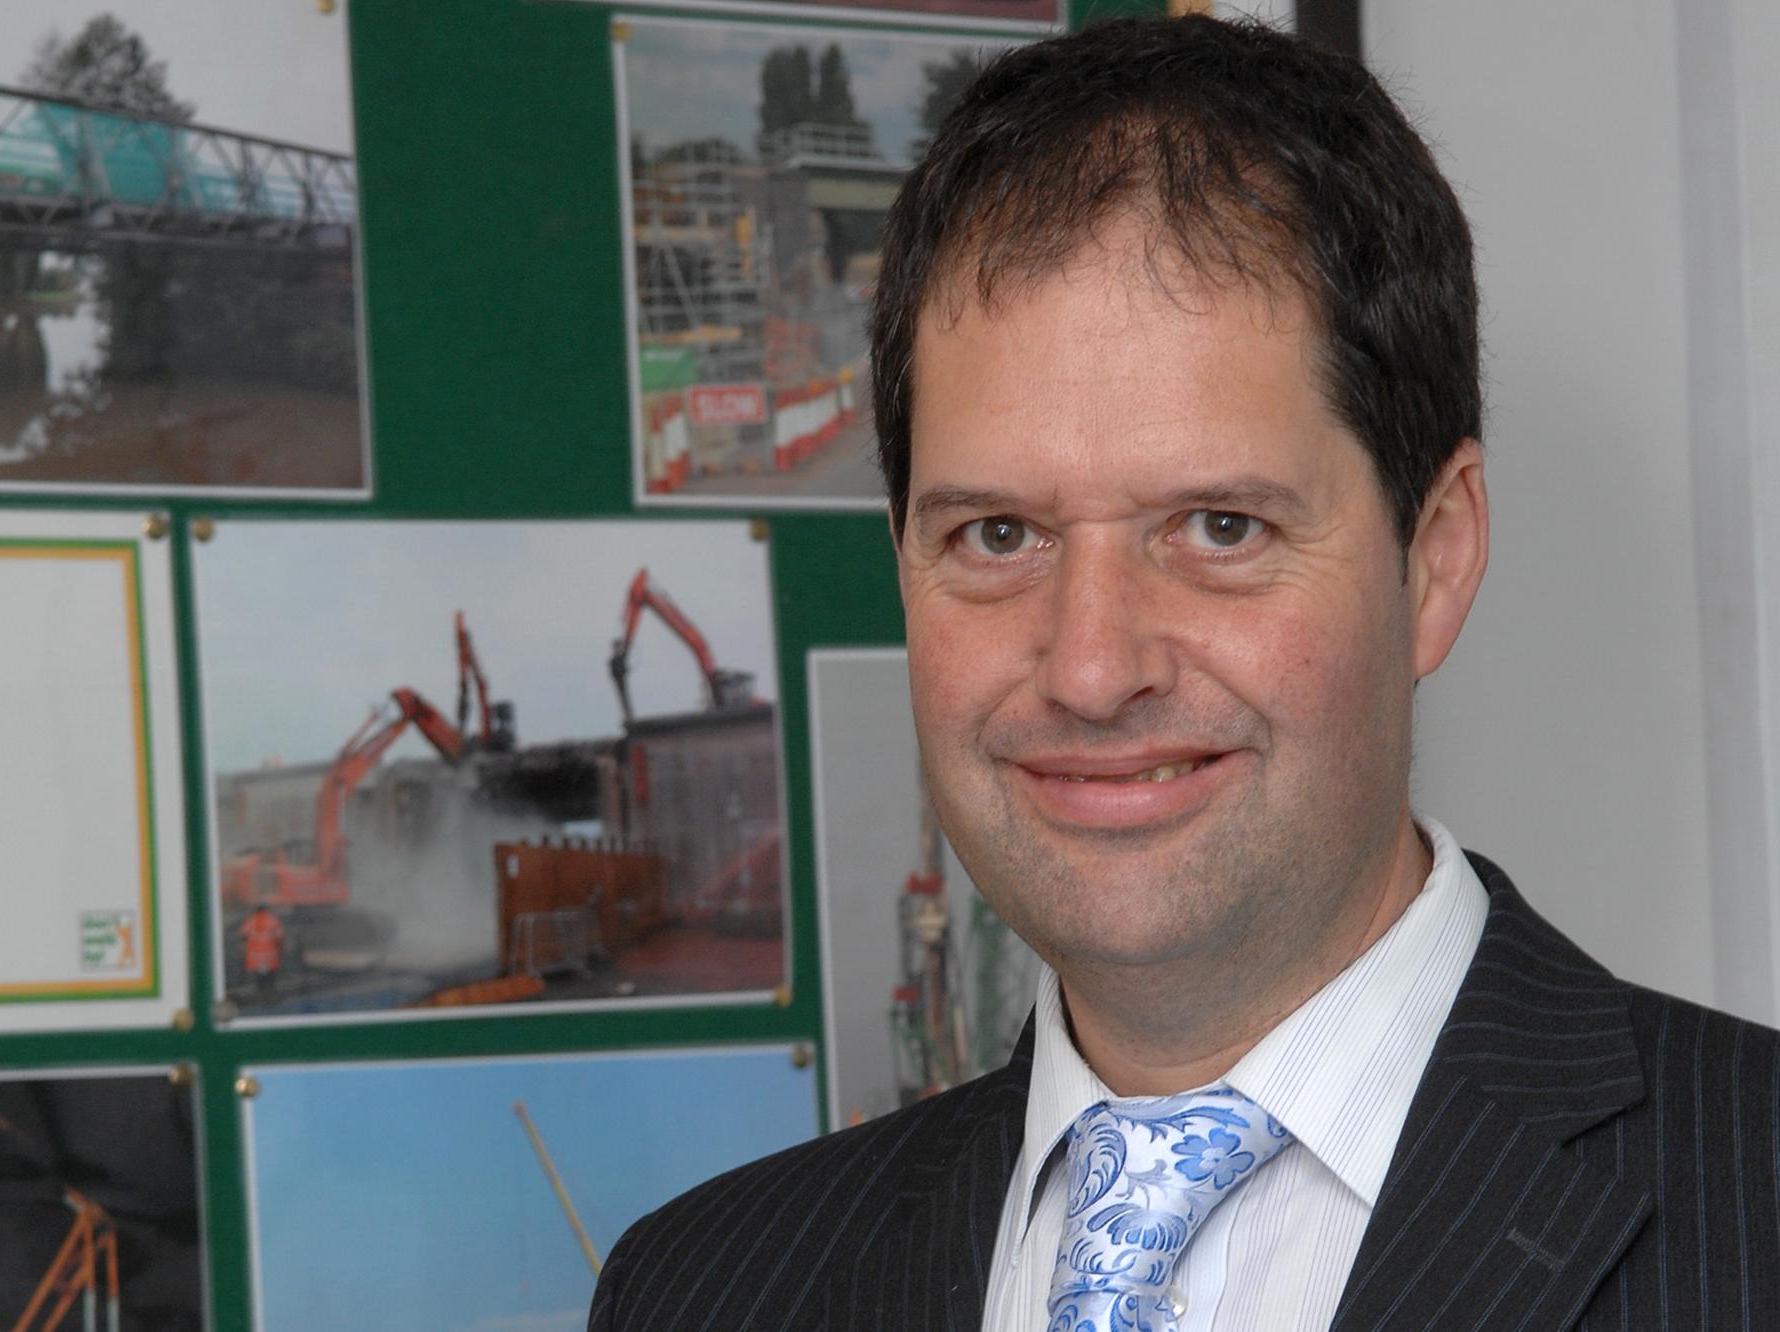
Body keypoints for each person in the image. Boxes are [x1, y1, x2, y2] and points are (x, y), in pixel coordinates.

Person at [590, 15, 1780, 1332]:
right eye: (998, 536)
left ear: (1434, 559)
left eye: (1219, 528)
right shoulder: (701, 1291)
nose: (1092, 669)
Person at [240, 902, 284, 1002]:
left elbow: (243, 935)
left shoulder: (251, 920)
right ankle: (270, 997)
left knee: (259, 978)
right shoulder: (273, 920)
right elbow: (280, 937)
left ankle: (260, 997)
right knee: (270, 978)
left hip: (255, 956)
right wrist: (280, 950)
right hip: (270, 956)